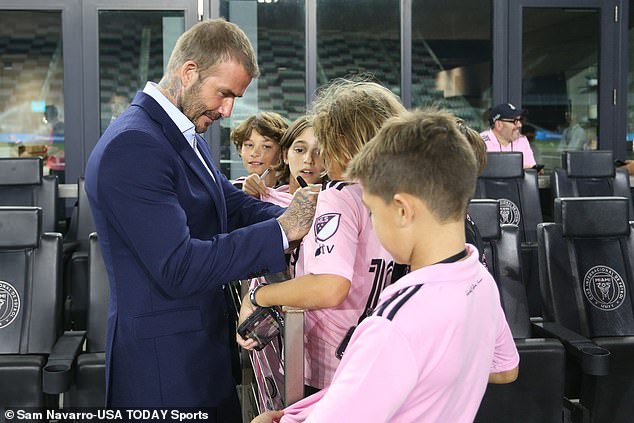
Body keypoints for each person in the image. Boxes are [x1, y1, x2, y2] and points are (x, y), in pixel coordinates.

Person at [84, 18, 319, 417]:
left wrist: (306, 214)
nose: (228, 110)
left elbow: (227, 205)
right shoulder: (134, 145)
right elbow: (178, 265)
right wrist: (281, 231)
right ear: (189, 72)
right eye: (224, 94)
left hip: (199, 350)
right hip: (164, 369)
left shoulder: (180, 131)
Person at [252, 108, 520, 423]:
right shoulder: (480, 282)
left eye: (373, 212)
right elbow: (504, 368)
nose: (375, 228)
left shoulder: (393, 325)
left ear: (402, 210)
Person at [237, 79, 406, 394]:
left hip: (329, 368)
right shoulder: (399, 194)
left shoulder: (339, 195)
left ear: (342, 140)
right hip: (378, 361)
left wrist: (257, 297)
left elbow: (329, 286)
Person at [243, 115, 325, 411]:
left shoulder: (342, 204)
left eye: (320, 150)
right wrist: (247, 305)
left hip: (324, 329)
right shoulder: (264, 202)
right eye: (300, 150)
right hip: (273, 326)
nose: (310, 160)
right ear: (286, 154)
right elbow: (255, 267)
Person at [231, 112, 289, 191]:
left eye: (266, 146)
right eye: (249, 145)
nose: (254, 153)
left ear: (283, 152)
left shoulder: (291, 193)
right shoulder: (234, 189)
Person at [480, 102, 537, 169]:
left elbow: (532, 170)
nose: (520, 125)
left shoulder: (522, 140)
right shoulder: (480, 142)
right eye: (515, 121)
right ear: (499, 125)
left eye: (520, 120)